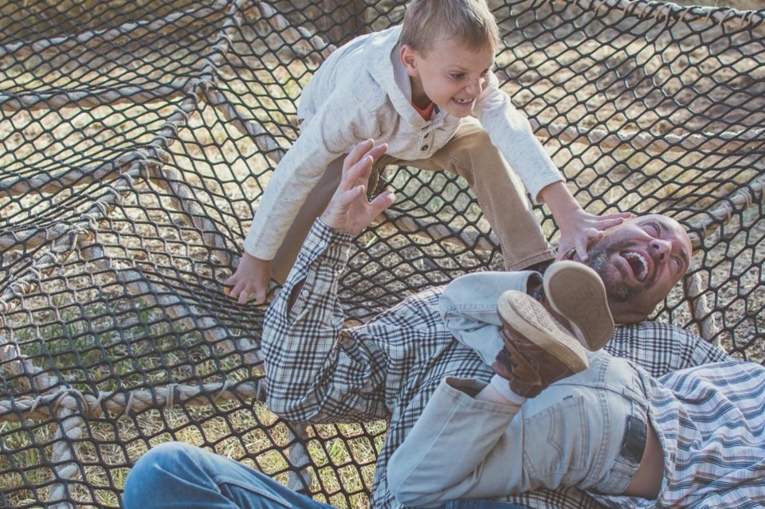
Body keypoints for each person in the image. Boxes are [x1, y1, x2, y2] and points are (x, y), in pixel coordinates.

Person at [123, 142, 730, 509]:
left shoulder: (678, 356)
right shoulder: (456, 306)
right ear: (607, 224)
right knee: (167, 476)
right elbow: (297, 389)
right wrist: (329, 238)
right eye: (654, 229)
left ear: (663, 295)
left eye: (676, 262)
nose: (661, 251)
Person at [224, 0, 630, 305]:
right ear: (411, 61)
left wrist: (568, 212)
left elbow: (511, 127)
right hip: (353, 142)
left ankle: (534, 268)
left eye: (484, 73)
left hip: (430, 131)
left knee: (483, 142)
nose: (475, 89)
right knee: (314, 220)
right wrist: (254, 256)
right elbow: (298, 167)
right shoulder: (359, 99)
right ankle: (275, 269)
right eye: (459, 76)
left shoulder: (467, 73)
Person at [388, 288, 765, 508]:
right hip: (610, 441)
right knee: (412, 483)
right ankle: (517, 376)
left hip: (608, 371)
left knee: (456, 304)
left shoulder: (748, 375)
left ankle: (539, 318)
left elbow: (694, 383)